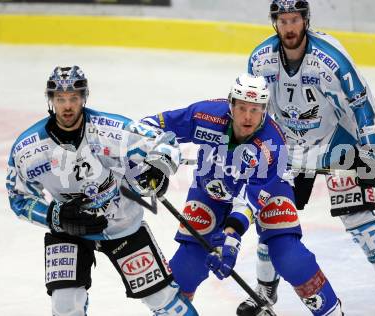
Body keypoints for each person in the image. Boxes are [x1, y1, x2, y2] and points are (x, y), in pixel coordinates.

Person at [236, 1, 375, 316]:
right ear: (274, 23)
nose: (289, 27)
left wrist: (371, 151)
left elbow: (362, 104)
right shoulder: (261, 60)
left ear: (305, 20)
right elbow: (253, 109)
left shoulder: (329, 59)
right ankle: (265, 292)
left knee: (360, 219)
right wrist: (253, 149)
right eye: (283, 21)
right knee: (272, 218)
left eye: (295, 20)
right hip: (289, 148)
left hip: (336, 143)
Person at [141, 73, 343, 315]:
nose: (248, 117)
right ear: (231, 105)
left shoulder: (272, 145)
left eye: (256, 110)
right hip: (211, 189)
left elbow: (248, 200)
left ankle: (331, 311)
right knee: (187, 267)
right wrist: (155, 153)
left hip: (269, 188)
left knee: (290, 258)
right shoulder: (205, 115)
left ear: (264, 110)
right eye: (242, 108)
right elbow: (148, 126)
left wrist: (231, 239)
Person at [5, 65, 198, 316]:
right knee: (65, 306)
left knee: (163, 299)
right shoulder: (28, 148)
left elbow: (166, 142)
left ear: (83, 98)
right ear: (50, 101)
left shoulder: (111, 129)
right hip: (68, 230)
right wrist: (56, 216)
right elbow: (18, 198)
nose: (67, 106)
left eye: (73, 98)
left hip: (122, 225)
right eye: (60, 99)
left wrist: (157, 168)